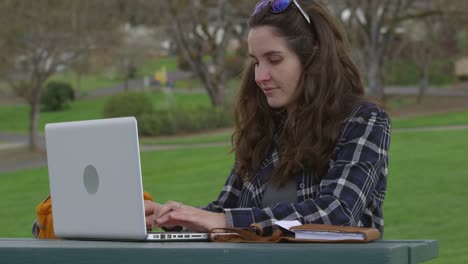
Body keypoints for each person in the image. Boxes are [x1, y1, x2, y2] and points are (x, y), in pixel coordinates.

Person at [145, 0, 391, 236]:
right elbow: (225, 211)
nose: (259, 76)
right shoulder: (264, 126)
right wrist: (174, 218)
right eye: (256, 62)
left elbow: (337, 213)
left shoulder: (364, 121)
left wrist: (223, 221)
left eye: (274, 60)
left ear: (313, 56)